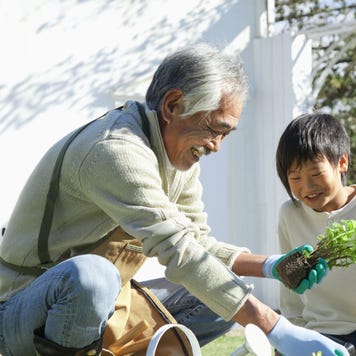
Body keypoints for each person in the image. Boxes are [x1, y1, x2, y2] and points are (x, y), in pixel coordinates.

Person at [0, 44, 347, 356]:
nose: (216, 146)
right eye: (215, 129)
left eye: (226, 134)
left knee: (220, 296)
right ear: (172, 105)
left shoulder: (176, 154)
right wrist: (278, 327)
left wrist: (272, 266)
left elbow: (196, 244)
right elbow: (178, 250)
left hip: (107, 306)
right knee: (92, 275)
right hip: (25, 306)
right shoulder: (115, 151)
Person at [274, 112, 356, 354]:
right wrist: (289, 337)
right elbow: (290, 287)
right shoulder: (290, 214)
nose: (307, 188)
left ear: (342, 163)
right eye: (295, 178)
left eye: (316, 174)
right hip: (320, 330)